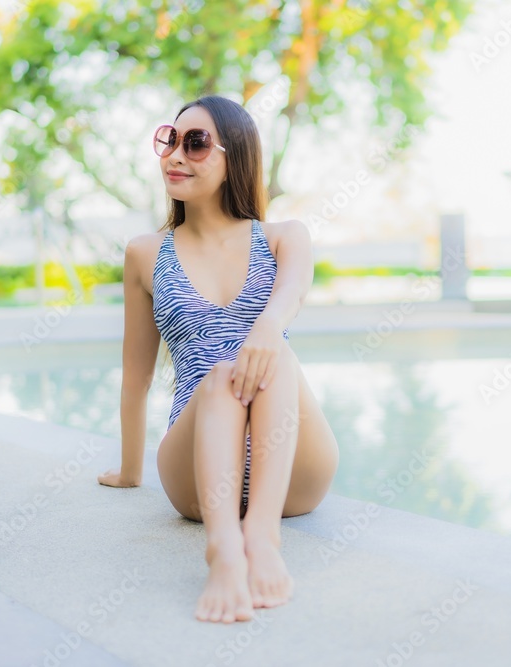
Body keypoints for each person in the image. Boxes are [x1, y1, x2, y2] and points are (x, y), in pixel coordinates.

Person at [97, 94, 340, 624]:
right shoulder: (145, 252)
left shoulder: (283, 238)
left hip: (294, 472)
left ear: (236, 157)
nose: (175, 155)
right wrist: (129, 471)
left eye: (196, 142)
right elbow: (136, 379)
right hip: (197, 479)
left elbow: (293, 291)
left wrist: (267, 328)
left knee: (273, 357)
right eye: (170, 140)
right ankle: (224, 549)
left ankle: (262, 535)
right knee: (220, 377)